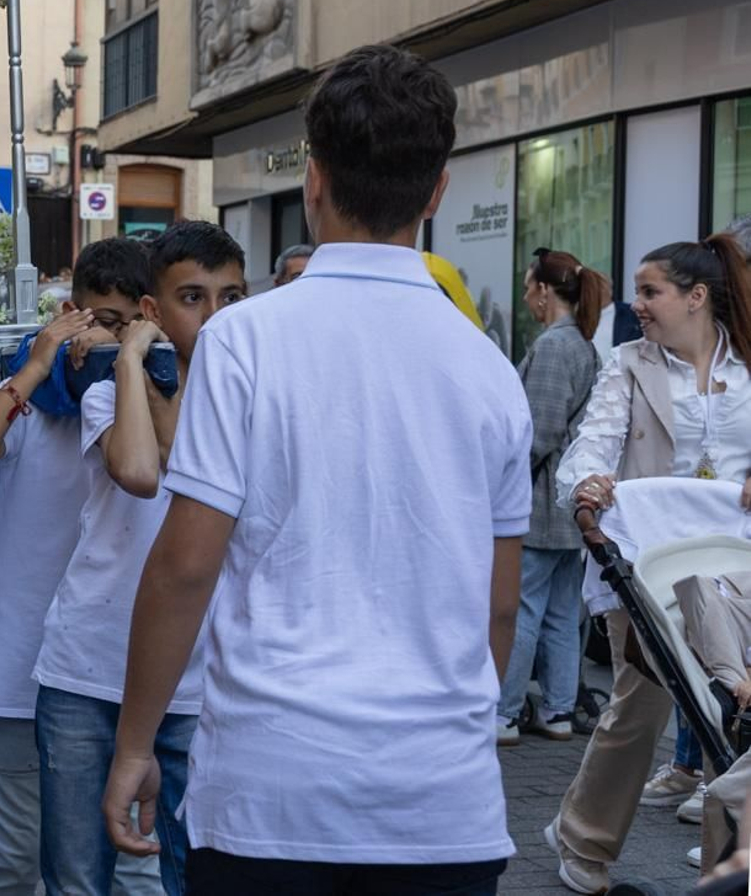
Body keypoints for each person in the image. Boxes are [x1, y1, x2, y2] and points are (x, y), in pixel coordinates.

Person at [104, 45, 531, 895]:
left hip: (274, 789)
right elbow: (499, 605)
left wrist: (134, 744)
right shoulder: (490, 369)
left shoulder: (243, 340)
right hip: (440, 803)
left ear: (314, 179)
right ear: (438, 191)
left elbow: (185, 566)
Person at [0, 236, 158, 896]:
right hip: (17, 675)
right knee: (13, 864)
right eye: (100, 321)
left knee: (135, 872)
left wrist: (134, 371)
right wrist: (35, 367)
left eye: (129, 325)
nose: (110, 339)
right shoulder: (35, 396)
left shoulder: (162, 397)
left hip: (123, 679)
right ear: (69, 313)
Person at [34, 219, 248, 896]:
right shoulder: (107, 388)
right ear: (152, 310)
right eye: (192, 297)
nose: (214, 315)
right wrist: (129, 361)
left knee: (195, 876)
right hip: (88, 668)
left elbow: (187, 459)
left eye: (230, 297)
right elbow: (137, 472)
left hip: (200, 677)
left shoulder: (249, 402)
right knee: (77, 881)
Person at [552, 232, 751, 893]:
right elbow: (595, 439)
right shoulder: (630, 364)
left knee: (728, 704)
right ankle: (583, 838)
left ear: (696, 297)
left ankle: (730, 856)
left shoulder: (746, 362)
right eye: (637, 291)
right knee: (642, 707)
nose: (636, 304)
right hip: (645, 557)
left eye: (650, 291)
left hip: (736, 560)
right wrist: (587, 483)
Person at [496, 248, 604, 746]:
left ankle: (504, 713)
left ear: (544, 290)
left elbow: (539, 434)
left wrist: (504, 486)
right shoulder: (583, 344)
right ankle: (559, 710)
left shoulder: (555, 346)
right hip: (568, 507)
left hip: (540, 504)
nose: (525, 298)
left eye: (527, 288)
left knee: (523, 609)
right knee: (561, 614)